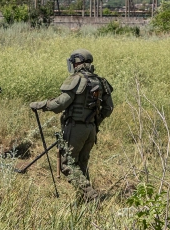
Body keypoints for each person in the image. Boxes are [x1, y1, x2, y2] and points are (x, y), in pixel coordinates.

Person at [30, 49, 113, 201]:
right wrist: (94, 121)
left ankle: (92, 196)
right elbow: (108, 108)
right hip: (91, 130)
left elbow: (60, 105)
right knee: (81, 164)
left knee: (67, 164)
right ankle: (85, 200)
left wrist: (41, 104)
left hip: (76, 128)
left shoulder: (77, 79)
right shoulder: (100, 81)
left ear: (77, 62)